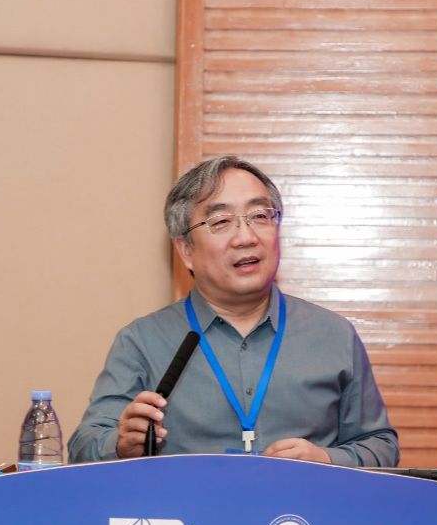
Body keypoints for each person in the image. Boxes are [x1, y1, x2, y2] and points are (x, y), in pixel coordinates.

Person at [68, 156, 398, 466]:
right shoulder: (142, 340)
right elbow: (84, 445)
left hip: (299, 509)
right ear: (186, 250)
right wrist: (121, 444)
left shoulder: (332, 335)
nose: (246, 237)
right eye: (222, 221)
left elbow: (380, 444)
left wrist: (326, 461)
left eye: (260, 216)